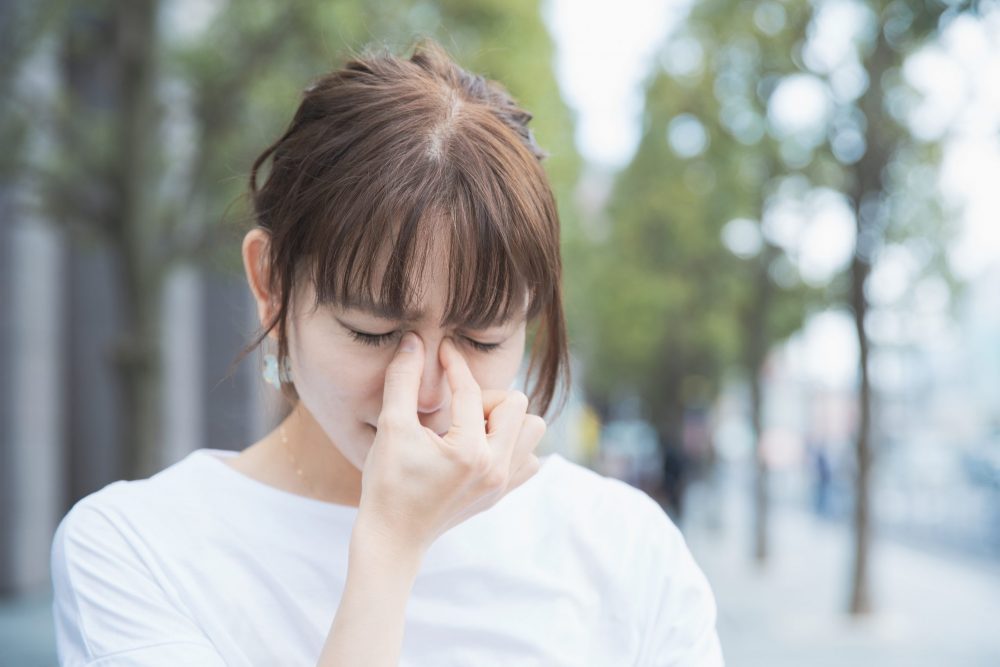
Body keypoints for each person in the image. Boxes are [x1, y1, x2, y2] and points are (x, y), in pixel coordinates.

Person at [49, 40, 724, 666]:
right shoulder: (135, 547)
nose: (425, 392)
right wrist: (390, 548)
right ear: (270, 284)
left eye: (481, 338)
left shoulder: (626, 546)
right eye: (373, 331)